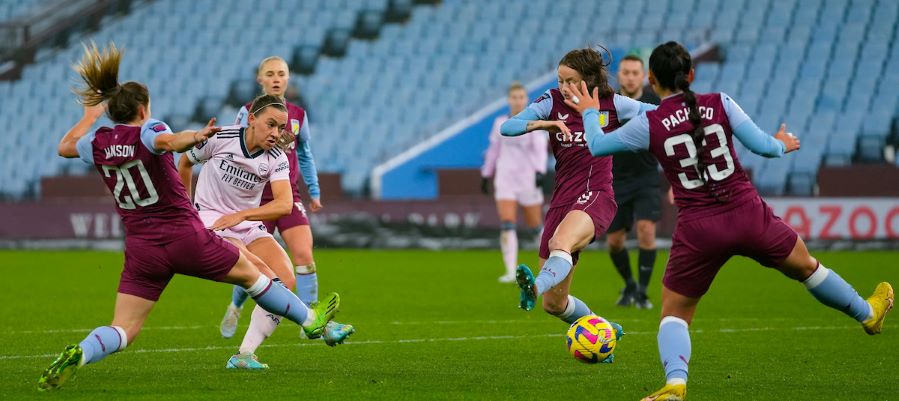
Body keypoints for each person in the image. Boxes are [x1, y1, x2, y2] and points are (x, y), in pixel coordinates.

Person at [569, 41, 893, 401]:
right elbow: (766, 147)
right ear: (691, 74)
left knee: (674, 314)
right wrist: (783, 143)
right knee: (809, 269)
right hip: (747, 213)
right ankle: (868, 313)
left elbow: (597, 146)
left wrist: (589, 110)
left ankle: (676, 384)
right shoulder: (720, 102)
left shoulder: (650, 122)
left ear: (651, 79)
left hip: (698, 228)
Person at [40, 43, 339, 390]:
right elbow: (169, 142)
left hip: (141, 248)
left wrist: (91, 117)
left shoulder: (99, 142)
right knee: (256, 276)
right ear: (143, 108)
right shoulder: (150, 130)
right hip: (184, 236)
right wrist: (195, 136)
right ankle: (310, 320)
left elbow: (64, 147)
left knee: (124, 329)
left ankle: (82, 351)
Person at [178, 94, 353, 369]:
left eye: (280, 127)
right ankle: (316, 323)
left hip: (245, 223)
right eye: (270, 124)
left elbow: (284, 203)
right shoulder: (221, 137)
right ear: (251, 119)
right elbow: (185, 162)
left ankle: (244, 355)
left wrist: (243, 214)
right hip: (213, 221)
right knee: (258, 268)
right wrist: (186, 210)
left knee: (286, 276)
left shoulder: (276, 157)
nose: (275, 133)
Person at [499, 46, 656, 347]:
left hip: (596, 195)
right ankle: (607, 328)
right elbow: (509, 126)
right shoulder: (551, 102)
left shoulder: (611, 103)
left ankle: (534, 286)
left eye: (569, 80)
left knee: (561, 242)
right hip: (562, 202)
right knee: (554, 305)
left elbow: (657, 114)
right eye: (559, 79)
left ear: (587, 80)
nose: (563, 86)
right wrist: (543, 123)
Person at [219, 57, 353, 341]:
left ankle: (312, 318)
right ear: (260, 80)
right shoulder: (247, 113)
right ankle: (235, 306)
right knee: (253, 265)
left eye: (282, 74)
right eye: (270, 74)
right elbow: (233, 148)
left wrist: (314, 191)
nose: (277, 79)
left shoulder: (298, 116)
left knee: (304, 253)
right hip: (255, 198)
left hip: (288, 195)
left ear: (288, 78)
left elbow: (305, 153)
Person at [607, 54, 662, 308]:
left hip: (646, 177)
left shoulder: (655, 103)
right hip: (615, 180)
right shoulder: (608, 103)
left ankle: (642, 291)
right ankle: (629, 284)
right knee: (615, 241)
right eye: (625, 72)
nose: (630, 77)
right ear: (619, 75)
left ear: (644, 76)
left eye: (634, 73)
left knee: (646, 231)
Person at [481, 82, 548, 283]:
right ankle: (510, 271)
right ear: (509, 99)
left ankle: (549, 268)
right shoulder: (500, 122)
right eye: (514, 97)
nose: (518, 100)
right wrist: (486, 173)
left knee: (536, 225)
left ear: (526, 99)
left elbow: (540, 149)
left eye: (521, 97)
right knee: (507, 224)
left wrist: (540, 171)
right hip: (505, 178)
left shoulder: (534, 121)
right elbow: (494, 150)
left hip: (527, 178)